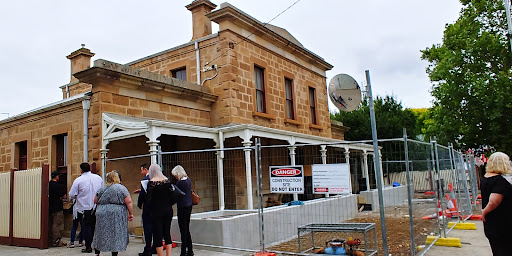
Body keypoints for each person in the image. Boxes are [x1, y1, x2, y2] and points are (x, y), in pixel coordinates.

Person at [92, 171, 133, 256]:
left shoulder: (102, 188)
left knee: (100, 232)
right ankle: (114, 253)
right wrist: (131, 213)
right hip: (116, 213)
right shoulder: (121, 188)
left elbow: (95, 200)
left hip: (102, 212)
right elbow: (128, 201)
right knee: (115, 232)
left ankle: (97, 252)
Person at [146, 164, 184, 256]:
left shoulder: (151, 183)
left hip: (156, 211)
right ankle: (168, 254)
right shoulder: (167, 181)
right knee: (167, 233)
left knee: (158, 235)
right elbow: (172, 196)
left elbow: (148, 200)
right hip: (167, 210)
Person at [481, 152, 512, 255]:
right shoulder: (500, 181)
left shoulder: (485, 178)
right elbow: (494, 201)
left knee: (497, 248)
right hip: (503, 222)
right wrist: (484, 211)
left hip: (491, 222)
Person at [69, 162, 103, 253]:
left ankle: (88, 246)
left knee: (86, 227)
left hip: (83, 208)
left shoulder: (78, 180)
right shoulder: (98, 178)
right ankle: (96, 245)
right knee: (95, 227)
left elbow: (72, 194)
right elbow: (102, 190)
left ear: (81, 170)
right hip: (96, 206)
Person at [172, 165, 194, 256]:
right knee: (186, 229)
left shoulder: (180, 183)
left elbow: (176, 195)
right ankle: (190, 250)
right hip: (189, 205)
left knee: (183, 230)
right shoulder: (188, 180)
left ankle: (183, 251)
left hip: (182, 207)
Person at [136, 163, 156, 256]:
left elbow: (143, 195)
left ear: (145, 169)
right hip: (157, 207)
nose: (141, 172)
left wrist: (139, 204)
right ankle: (156, 246)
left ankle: (148, 248)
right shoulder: (158, 179)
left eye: (142, 170)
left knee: (147, 228)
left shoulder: (146, 180)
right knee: (156, 228)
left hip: (148, 208)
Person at [49, 170, 66, 247]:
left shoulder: (48, 185)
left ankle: (53, 239)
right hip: (57, 207)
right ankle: (56, 240)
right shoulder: (58, 186)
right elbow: (64, 196)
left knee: (53, 223)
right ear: (56, 177)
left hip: (50, 207)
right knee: (57, 224)